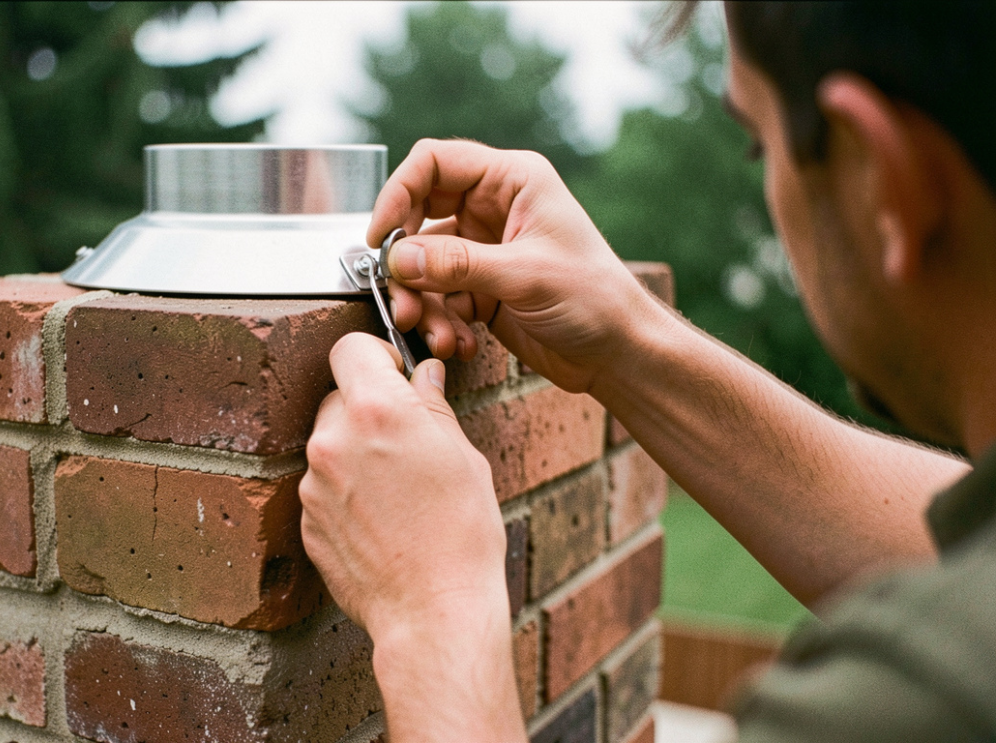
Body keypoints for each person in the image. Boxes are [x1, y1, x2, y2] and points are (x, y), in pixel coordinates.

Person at [297, 2, 996, 741]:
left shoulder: (904, 707)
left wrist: (433, 608)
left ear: (877, 176)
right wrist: (627, 340)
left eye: (758, 143)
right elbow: (952, 545)